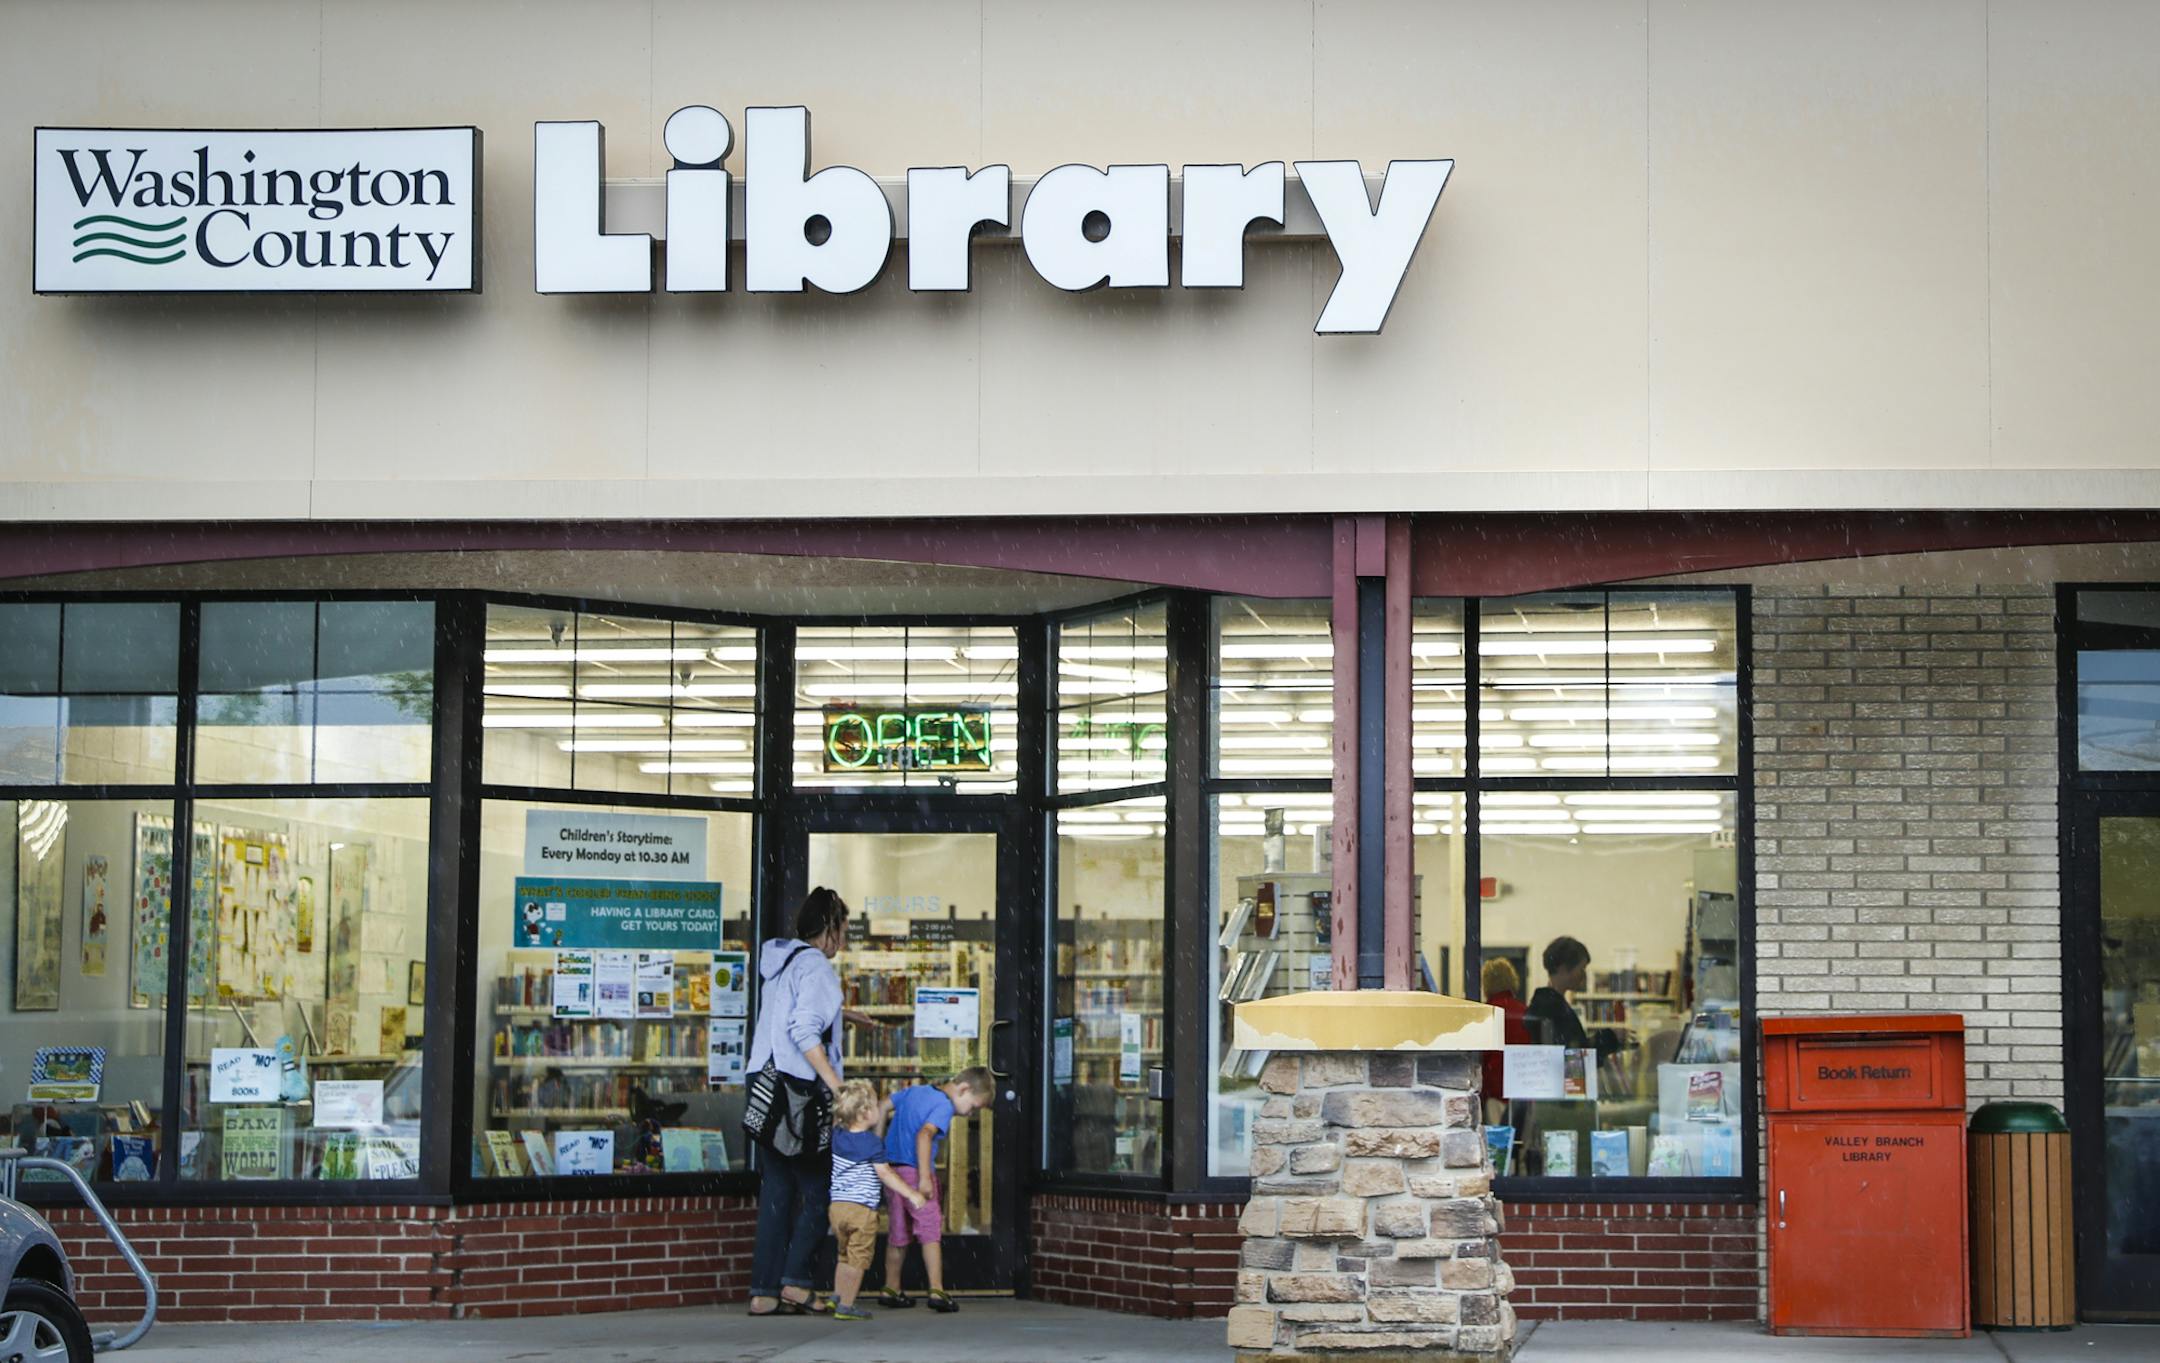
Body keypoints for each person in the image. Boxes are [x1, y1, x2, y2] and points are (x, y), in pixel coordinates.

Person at [745, 887, 850, 1318]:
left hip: (764, 1084)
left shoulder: (782, 961)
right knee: (820, 1188)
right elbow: (804, 1030)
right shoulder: (818, 968)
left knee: (777, 1190)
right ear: (829, 928)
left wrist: (846, 1016)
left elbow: (784, 1018)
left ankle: (764, 1292)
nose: (844, 938)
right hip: (798, 1093)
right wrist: (836, 1086)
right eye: (843, 928)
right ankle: (796, 1283)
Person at [874, 1066, 996, 1313]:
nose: (969, 1113)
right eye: (973, 1106)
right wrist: (925, 1178)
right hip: (916, 1173)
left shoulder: (914, 1091)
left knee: (898, 1233)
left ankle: (891, 1287)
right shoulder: (943, 1105)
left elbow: (882, 1107)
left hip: (893, 1171)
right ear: (963, 1089)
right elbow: (924, 1135)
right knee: (930, 1231)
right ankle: (937, 1289)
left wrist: (877, 1147)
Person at [828, 1079, 928, 1322]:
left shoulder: (837, 1136)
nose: (879, 1108)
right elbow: (885, 1174)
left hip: (837, 1208)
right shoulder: (872, 1143)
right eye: (874, 1105)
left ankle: (837, 1296)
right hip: (861, 1210)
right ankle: (847, 1306)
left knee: (844, 1254)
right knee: (858, 1258)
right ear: (864, 1113)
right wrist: (912, 1193)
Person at [1523, 936, 1621, 1059]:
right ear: (1563, 968)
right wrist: (1610, 1037)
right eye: (1582, 968)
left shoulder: (1552, 1004)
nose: (1583, 975)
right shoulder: (1551, 1008)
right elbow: (1572, 1056)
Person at [1478, 956, 1532, 1118]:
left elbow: (1482, 1058)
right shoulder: (1526, 1013)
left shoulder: (1485, 1015)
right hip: (1523, 1091)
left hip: (1494, 1093)